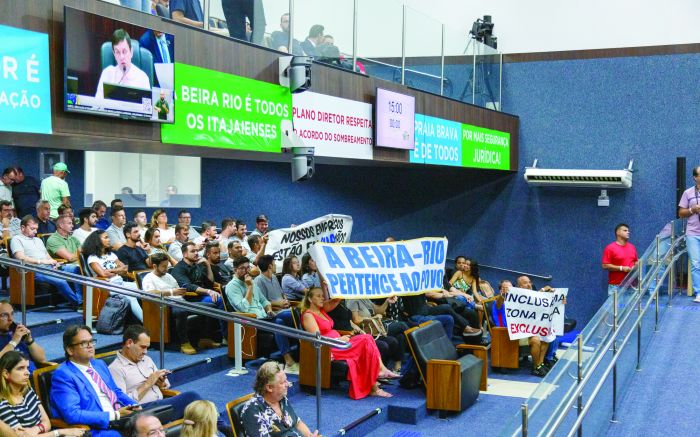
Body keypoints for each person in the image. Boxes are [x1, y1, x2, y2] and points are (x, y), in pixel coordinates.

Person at [301, 288, 399, 399]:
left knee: (368, 339)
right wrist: (339, 340)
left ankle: (379, 376)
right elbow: (317, 339)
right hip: (329, 348)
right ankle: (377, 378)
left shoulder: (321, 310)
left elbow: (336, 300)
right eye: (318, 296)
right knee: (366, 340)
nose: (322, 298)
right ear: (309, 299)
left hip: (340, 343)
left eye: (322, 296)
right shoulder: (308, 315)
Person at [50, 325, 139, 436]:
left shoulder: (99, 364)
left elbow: (115, 391)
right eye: (84, 343)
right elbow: (72, 414)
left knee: (156, 415)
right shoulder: (63, 375)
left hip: (122, 418)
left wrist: (134, 405)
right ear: (70, 350)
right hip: (98, 428)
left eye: (91, 341)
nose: (90, 346)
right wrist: (114, 415)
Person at [108, 325, 200, 420]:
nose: (145, 352)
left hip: (160, 404)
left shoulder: (147, 360)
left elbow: (166, 385)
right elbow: (122, 405)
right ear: (129, 343)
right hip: (142, 412)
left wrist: (161, 383)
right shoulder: (115, 369)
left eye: (147, 348)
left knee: (197, 410)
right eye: (143, 347)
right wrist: (148, 383)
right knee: (191, 397)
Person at [226, 256, 299, 374]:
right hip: (251, 321)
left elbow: (264, 301)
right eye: (242, 268)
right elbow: (243, 308)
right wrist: (249, 287)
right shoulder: (232, 286)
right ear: (235, 270)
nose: (246, 271)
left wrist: (269, 309)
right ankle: (289, 362)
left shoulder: (251, 281)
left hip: (265, 316)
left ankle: (302, 354)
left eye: (247, 268)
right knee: (280, 322)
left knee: (293, 316)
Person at [0, 351, 86, 436]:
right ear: (6, 374)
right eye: (21, 368)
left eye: (27, 368)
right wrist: (59, 432)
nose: (27, 373)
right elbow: (23, 436)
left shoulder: (28, 390)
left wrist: (36, 429)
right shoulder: (3, 404)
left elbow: (47, 422)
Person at [10, 216, 83, 308]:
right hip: (34, 270)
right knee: (61, 281)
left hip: (49, 267)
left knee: (76, 269)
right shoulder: (16, 239)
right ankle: (78, 304)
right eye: (32, 229)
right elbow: (21, 258)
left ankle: (81, 299)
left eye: (36, 229)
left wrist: (53, 261)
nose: (35, 232)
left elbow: (47, 255)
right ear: (23, 228)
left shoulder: (38, 240)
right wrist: (41, 261)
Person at [240, 361, 318, 437]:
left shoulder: (281, 399)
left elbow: (297, 423)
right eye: (283, 382)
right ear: (269, 387)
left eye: (286, 380)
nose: (288, 384)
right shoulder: (253, 410)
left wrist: (309, 435)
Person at [141, 252, 199, 355]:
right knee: (181, 311)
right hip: (166, 306)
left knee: (212, 306)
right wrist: (172, 292)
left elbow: (176, 288)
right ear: (154, 266)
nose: (166, 268)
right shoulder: (148, 278)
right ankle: (184, 343)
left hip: (181, 301)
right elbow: (150, 293)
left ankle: (204, 338)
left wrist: (181, 291)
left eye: (167, 265)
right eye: (163, 266)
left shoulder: (168, 275)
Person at [171, 242, 225, 348]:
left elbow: (209, 282)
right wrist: (208, 291)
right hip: (189, 298)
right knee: (217, 300)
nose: (196, 253)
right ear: (184, 254)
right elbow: (188, 287)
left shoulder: (196, 266)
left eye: (197, 250)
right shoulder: (178, 269)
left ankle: (211, 337)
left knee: (221, 298)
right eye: (192, 251)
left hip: (200, 296)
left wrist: (208, 265)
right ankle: (223, 336)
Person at [81, 230, 143, 322]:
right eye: (106, 238)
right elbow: (103, 274)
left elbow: (125, 268)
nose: (109, 240)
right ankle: (146, 322)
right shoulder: (93, 258)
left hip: (121, 282)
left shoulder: (112, 255)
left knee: (145, 289)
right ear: (97, 241)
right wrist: (118, 271)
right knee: (131, 296)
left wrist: (110, 270)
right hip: (108, 287)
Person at [346, 297, 408, 373]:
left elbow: (379, 311)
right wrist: (373, 318)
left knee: (399, 336)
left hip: (377, 327)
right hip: (368, 330)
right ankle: (419, 352)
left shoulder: (363, 297)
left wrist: (387, 301)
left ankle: (395, 368)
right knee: (402, 326)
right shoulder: (351, 299)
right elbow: (356, 320)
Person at [95, 29, 150, 100]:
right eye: (117, 52)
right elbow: (97, 104)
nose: (121, 57)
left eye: (124, 51)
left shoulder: (142, 78)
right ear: (114, 54)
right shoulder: (107, 73)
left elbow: (147, 108)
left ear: (131, 52)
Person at [0, 301, 46, 374]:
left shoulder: (17, 331)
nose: (10, 319)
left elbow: (42, 359)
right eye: (4, 315)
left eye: (12, 314)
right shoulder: (16, 337)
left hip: (34, 378)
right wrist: (14, 342)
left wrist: (29, 341)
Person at [679, 168, 700, 302]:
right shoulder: (688, 192)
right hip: (693, 233)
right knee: (696, 263)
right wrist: (693, 209)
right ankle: (699, 292)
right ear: (695, 177)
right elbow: (681, 213)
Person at [601, 223, 638, 296]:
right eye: (625, 230)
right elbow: (604, 265)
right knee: (615, 307)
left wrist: (636, 265)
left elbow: (635, 261)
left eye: (628, 231)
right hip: (616, 286)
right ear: (618, 232)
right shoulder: (610, 248)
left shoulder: (632, 247)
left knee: (631, 307)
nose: (628, 232)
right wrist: (621, 268)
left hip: (632, 285)